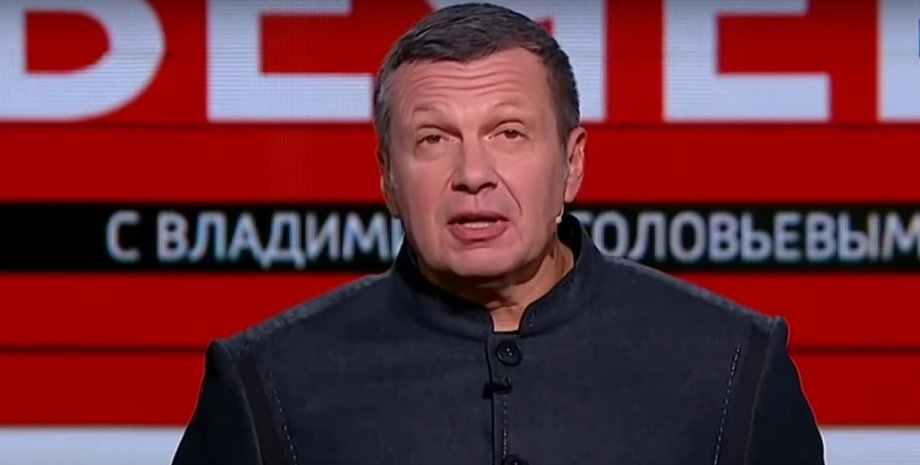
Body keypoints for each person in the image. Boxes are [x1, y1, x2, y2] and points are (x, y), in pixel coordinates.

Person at [171, 3, 825, 464]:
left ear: (572, 163)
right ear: (388, 177)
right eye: (434, 139)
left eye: (508, 133)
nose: (473, 174)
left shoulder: (733, 364)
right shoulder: (267, 382)